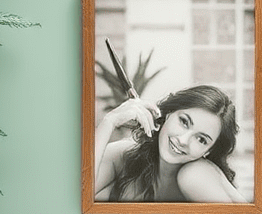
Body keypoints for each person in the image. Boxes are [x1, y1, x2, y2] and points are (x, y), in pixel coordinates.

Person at [94, 84, 246, 203]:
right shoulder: (124, 155)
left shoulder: (195, 175)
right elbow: (75, 199)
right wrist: (110, 121)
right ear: (168, 114)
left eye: (201, 139)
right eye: (184, 121)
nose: (183, 140)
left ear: (208, 151)